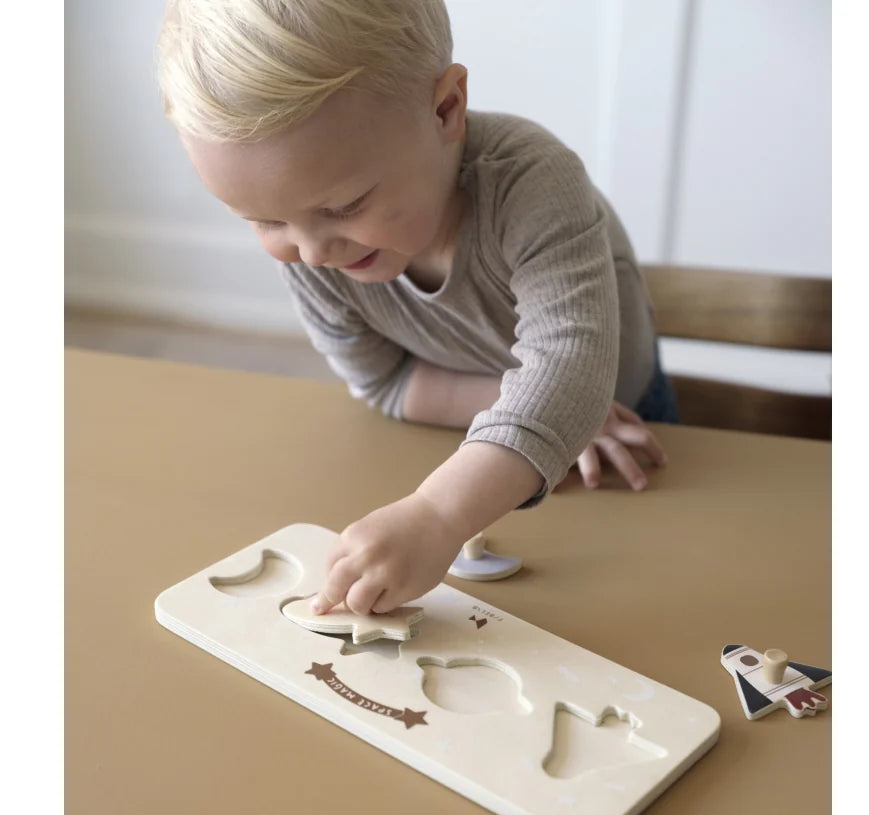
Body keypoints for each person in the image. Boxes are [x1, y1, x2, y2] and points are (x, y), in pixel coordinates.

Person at [156, 0, 678, 617]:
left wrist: (436, 514)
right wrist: (541, 411)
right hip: (484, 445)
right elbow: (384, 381)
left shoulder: (535, 184)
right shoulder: (311, 241)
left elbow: (572, 365)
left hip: (631, 435)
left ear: (445, 109)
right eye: (266, 220)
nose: (312, 251)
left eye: (345, 206)